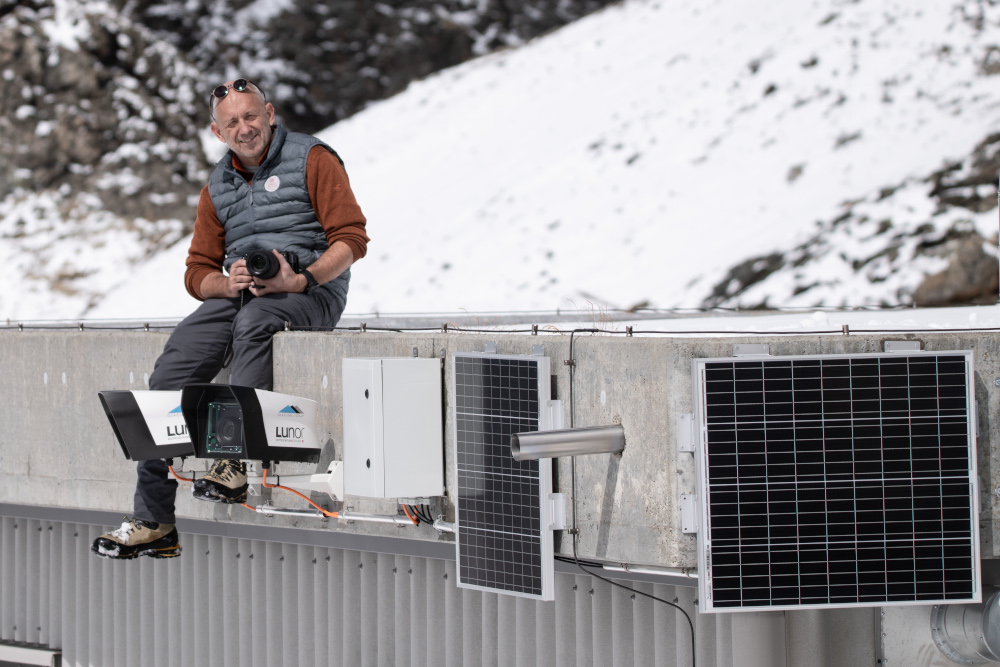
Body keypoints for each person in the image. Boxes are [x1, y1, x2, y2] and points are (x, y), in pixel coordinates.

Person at [92, 79, 368, 559]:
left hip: (312, 293)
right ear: (217, 133)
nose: (245, 128)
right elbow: (196, 271)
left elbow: (351, 239)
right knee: (172, 369)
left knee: (254, 322)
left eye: (251, 116)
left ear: (270, 114)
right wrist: (227, 282)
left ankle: (233, 464)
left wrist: (301, 279)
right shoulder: (217, 186)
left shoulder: (313, 158)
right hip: (243, 296)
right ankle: (155, 521)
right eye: (232, 123)